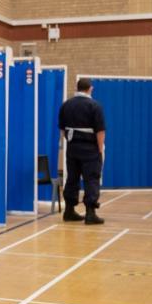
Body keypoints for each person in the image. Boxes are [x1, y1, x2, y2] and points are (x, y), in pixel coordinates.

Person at [58, 77, 106, 225]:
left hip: (72, 148)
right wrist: (99, 150)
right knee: (91, 179)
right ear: (90, 88)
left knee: (72, 178)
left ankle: (69, 211)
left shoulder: (66, 105)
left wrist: (71, 142)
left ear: (77, 88)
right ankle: (90, 213)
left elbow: (62, 130)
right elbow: (100, 131)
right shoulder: (95, 106)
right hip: (90, 149)